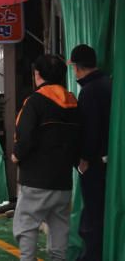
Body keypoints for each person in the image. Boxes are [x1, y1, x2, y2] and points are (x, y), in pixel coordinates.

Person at [12, 54, 86, 261]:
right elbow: (81, 139)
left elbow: (26, 136)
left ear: (37, 75)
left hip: (35, 180)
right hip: (62, 181)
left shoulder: (35, 102)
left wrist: (17, 156)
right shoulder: (73, 103)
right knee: (59, 229)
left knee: (27, 225)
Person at [69, 45, 112, 261]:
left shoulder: (90, 91)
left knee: (93, 214)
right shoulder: (108, 85)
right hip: (108, 163)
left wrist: (83, 161)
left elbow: (89, 131)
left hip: (95, 165)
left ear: (76, 67)